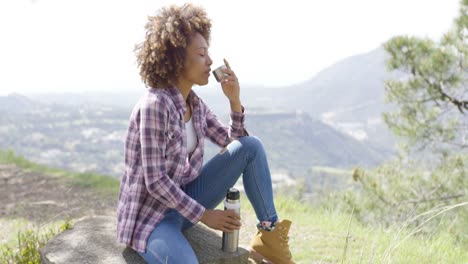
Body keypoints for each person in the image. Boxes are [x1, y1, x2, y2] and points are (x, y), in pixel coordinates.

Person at [116, 3, 294, 264]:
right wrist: (204, 215)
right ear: (177, 59)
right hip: (152, 218)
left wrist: (235, 101)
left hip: (184, 202)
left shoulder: (195, 105)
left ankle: (268, 235)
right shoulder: (154, 105)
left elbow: (236, 146)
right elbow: (155, 182)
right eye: (201, 54)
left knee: (251, 146)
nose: (210, 61)